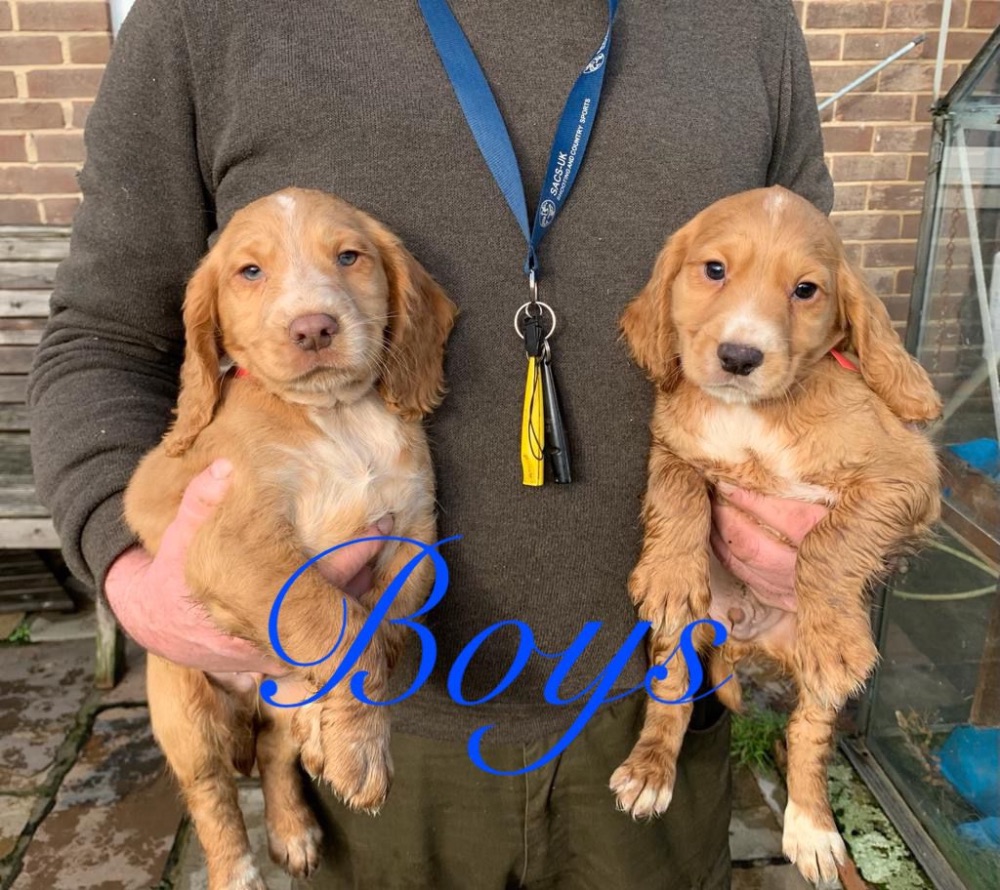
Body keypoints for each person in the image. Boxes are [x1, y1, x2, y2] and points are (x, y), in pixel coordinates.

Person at [28, 1, 833, 887]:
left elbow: (823, 338)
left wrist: (822, 544)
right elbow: (108, 340)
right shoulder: (206, 19)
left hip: (660, 699)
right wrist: (131, 571)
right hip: (375, 723)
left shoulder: (748, 20)